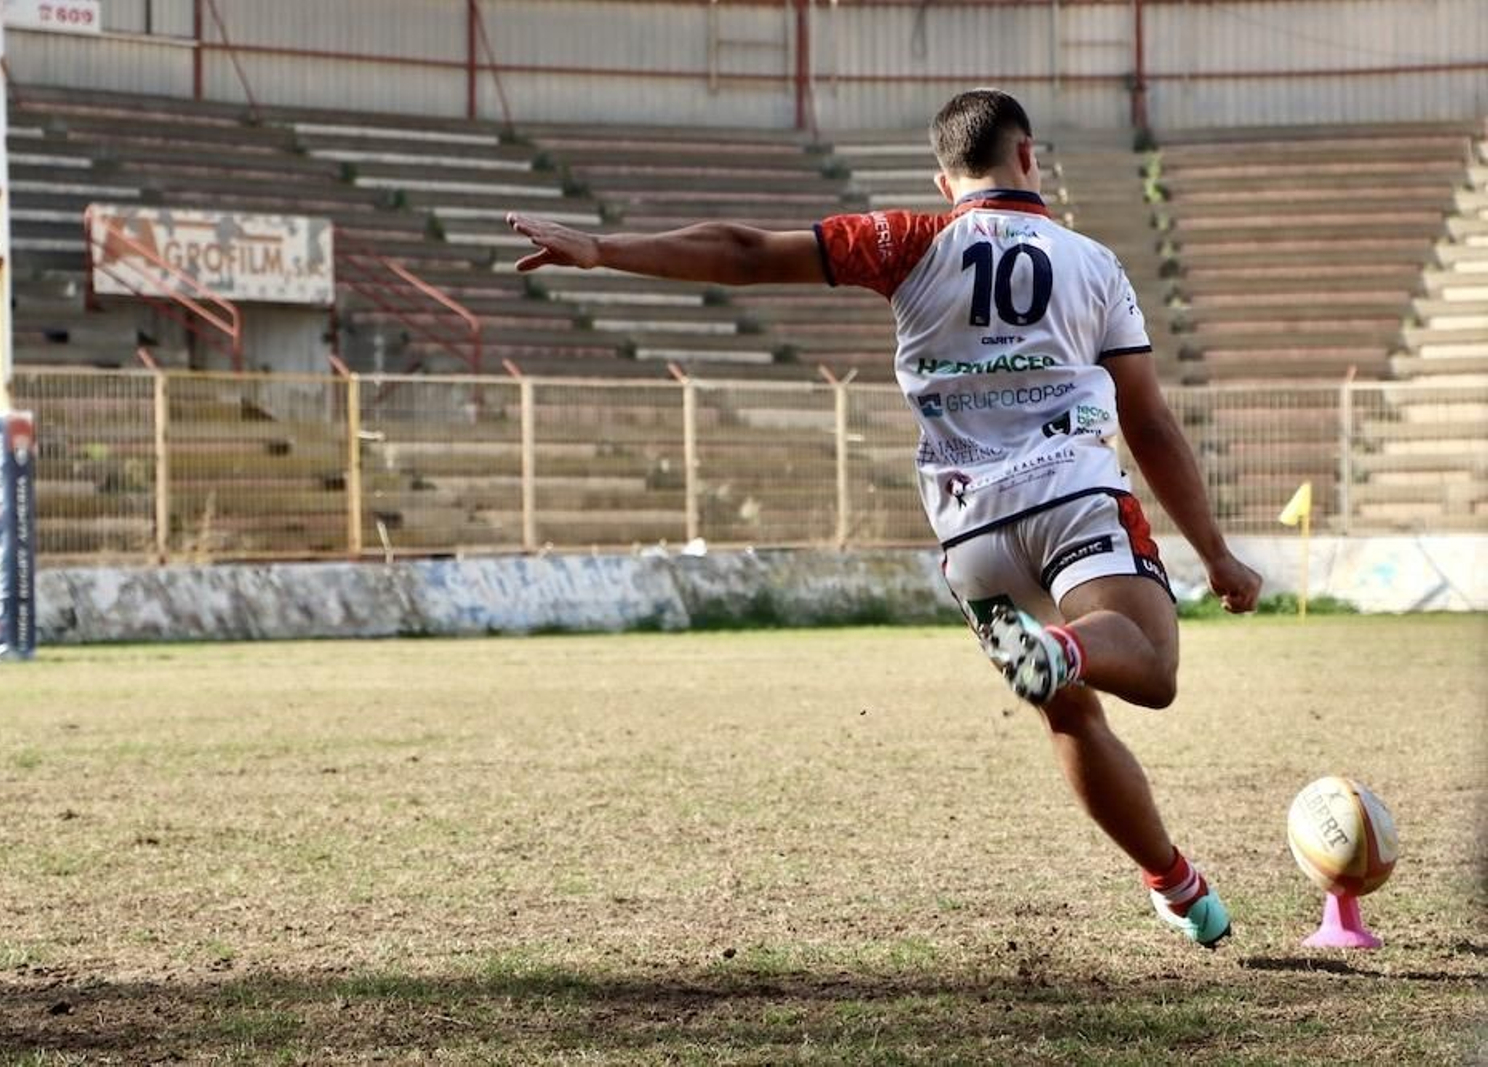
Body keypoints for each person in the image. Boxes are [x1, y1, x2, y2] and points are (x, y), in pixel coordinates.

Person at [505, 89, 1262, 947]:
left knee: (1071, 711)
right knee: (1150, 664)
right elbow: (1149, 420)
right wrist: (1217, 553)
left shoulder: (908, 240)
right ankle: (1062, 649)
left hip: (970, 535)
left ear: (945, 181)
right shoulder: (1093, 263)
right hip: (1072, 496)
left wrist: (602, 249)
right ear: (1029, 158)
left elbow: (745, 251)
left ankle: (1173, 879)